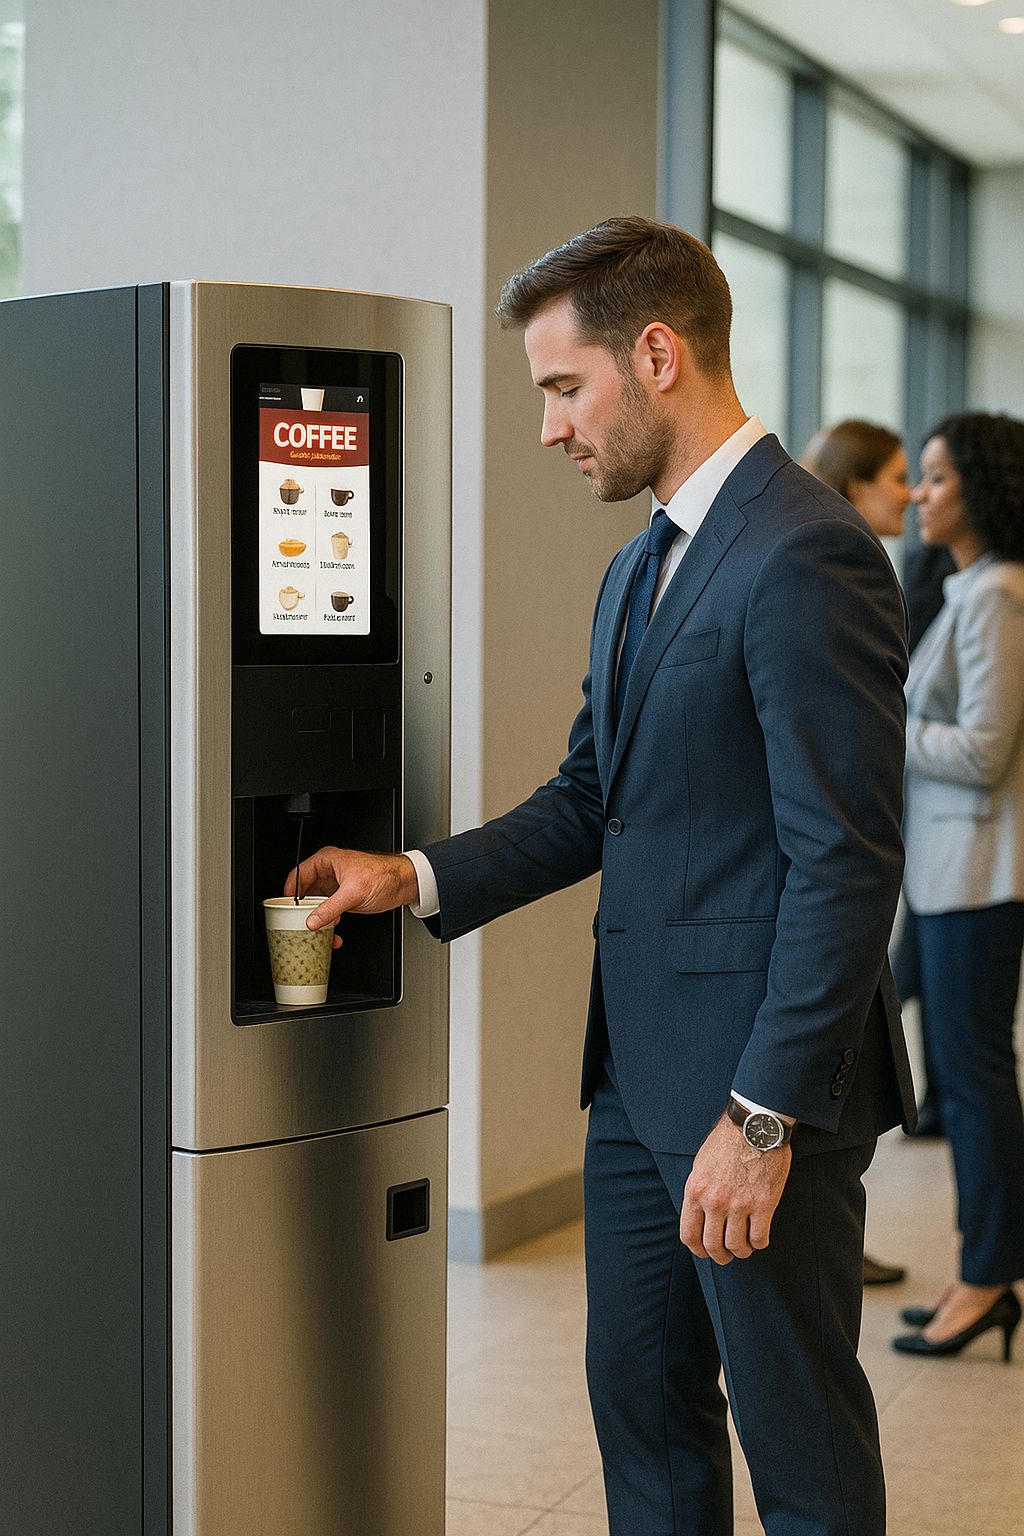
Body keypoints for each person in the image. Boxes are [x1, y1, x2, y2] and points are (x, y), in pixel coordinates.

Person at [292, 218, 916, 1535]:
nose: (548, 427)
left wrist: (762, 1120)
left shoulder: (807, 551)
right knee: (642, 1413)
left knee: (796, 1441)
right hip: (632, 1089)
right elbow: (594, 803)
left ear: (656, 353)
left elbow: (845, 861)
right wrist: (409, 874)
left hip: (758, 1101)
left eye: (563, 387)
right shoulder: (640, 568)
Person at [892, 412, 1024, 1361]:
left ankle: (988, 1279)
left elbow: (983, 752)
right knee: (970, 1075)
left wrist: (877, 721)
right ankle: (979, 1267)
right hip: (949, 871)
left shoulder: (996, 597)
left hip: (979, 871)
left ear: (981, 486)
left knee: (975, 1082)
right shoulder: (970, 587)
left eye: (935, 478)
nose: (919, 495)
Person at [801, 419, 914, 1287]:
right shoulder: (825, 558)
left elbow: (846, 851)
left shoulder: (831, 561)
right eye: (899, 476)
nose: (910, 492)